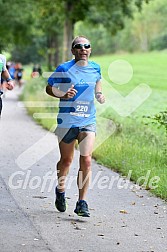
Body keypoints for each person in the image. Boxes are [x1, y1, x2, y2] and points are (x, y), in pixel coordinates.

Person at [46, 35, 105, 217]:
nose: (83, 49)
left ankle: (81, 202)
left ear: (90, 49)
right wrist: (62, 94)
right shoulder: (64, 68)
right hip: (67, 121)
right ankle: (61, 190)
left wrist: (99, 93)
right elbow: (49, 87)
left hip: (88, 120)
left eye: (87, 46)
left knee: (86, 159)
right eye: (79, 46)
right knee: (66, 160)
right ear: (73, 51)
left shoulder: (95, 67)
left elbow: (98, 81)